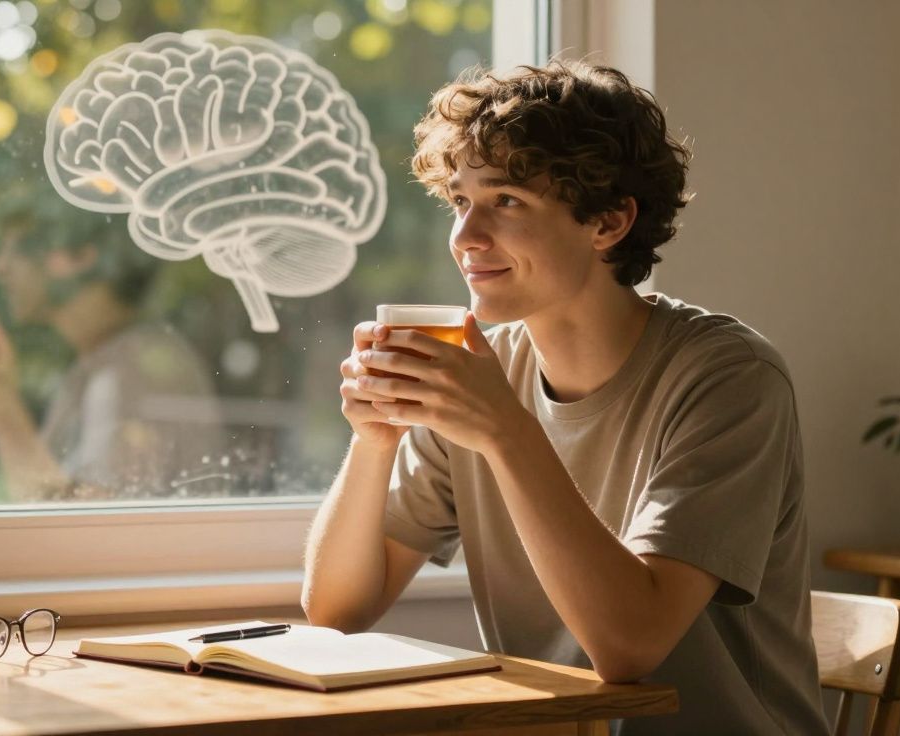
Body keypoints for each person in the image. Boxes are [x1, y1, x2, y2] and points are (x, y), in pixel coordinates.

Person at [302, 61, 828, 735]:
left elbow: (631, 646)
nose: (465, 238)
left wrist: (507, 432)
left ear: (608, 222)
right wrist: (374, 442)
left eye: (507, 201)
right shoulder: (480, 377)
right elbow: (338, 610)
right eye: (460, 201)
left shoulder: (731, 377)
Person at [0, 191, 226, 502]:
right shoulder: (102, 363)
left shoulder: (133, 374)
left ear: (78, 257)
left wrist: (3, 412)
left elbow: (92, 535)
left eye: (16, 248)